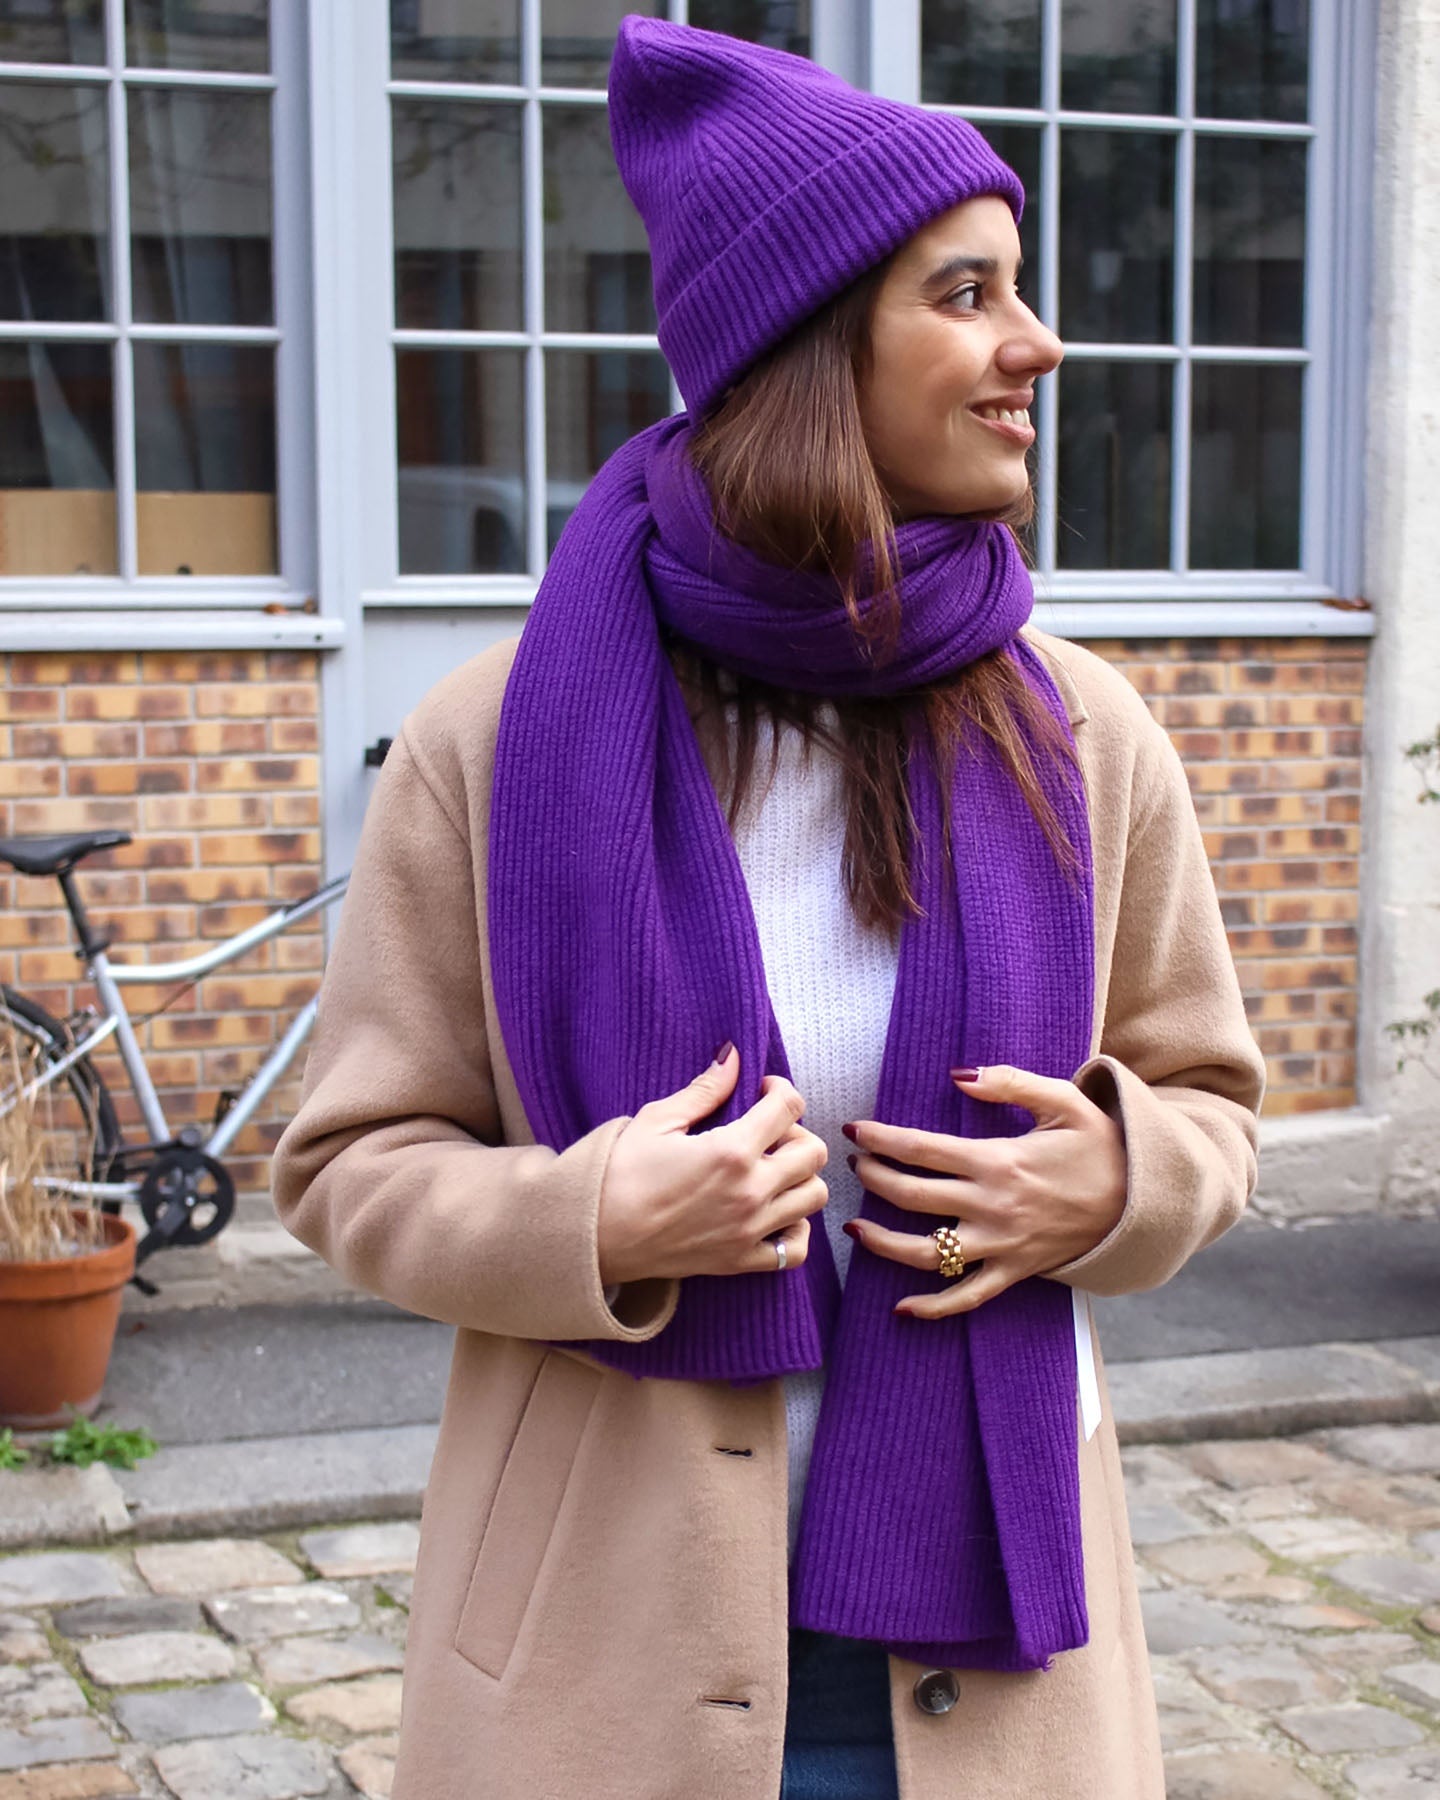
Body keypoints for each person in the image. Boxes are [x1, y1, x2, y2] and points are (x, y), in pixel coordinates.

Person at [273, 17, 1265, 1800]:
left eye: (1017, 292)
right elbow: (350, 1166)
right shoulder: (498, 739)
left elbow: (1212, 1103)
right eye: (967, 295)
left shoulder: (1084, 732)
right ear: (809, 346)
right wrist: (592, 1217)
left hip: (988, 1657)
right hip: (599, 1645)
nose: (1036, 345)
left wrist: (1119, 1176)